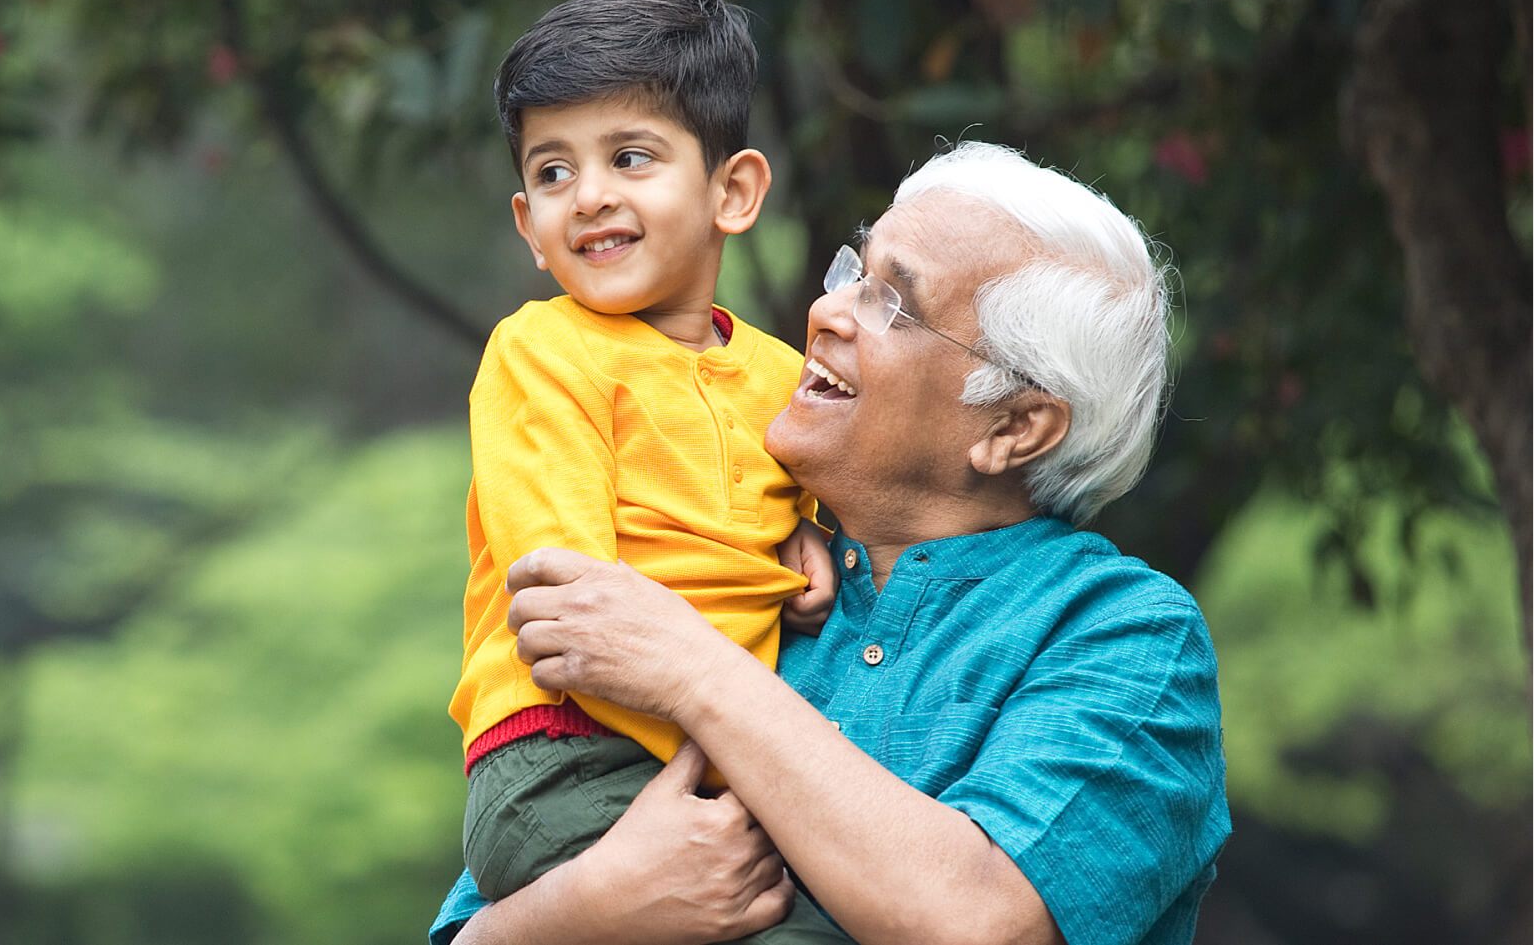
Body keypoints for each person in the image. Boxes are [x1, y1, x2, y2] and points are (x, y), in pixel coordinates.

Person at [429, 140, 1230, 945]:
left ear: (1013, 427)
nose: (827, 311)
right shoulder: (719, 565)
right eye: (854, 272)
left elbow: (982, 923)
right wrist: (589, 908)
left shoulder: (1124, 636)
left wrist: (690, 666)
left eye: (892, 302)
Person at [451, 0, 846, 943]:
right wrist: (754, 762)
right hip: (564, 750)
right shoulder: (541, 352)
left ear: (733, 192)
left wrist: (812, 530)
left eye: (630, 156)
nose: (588, 196)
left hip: (712, 742)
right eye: (552, 173)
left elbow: (820, 503)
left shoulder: (781, 376)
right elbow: (569, 604)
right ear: (527, 227)